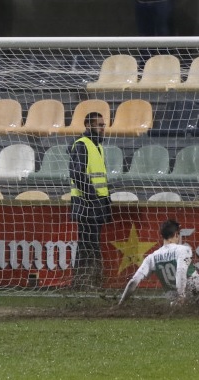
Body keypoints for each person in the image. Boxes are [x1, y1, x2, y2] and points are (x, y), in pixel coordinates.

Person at [69, 112, 112, 290]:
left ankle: (89, 281)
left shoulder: (98, 147)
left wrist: (106, 200)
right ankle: (83, 282)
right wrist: (93, 198)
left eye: (103, 125)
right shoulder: (81, 145)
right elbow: (77, 175)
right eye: (99, 125)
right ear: (88, 126)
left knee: (91, 242)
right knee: (87, 242)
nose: (103, 128)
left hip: (96, 202)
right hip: (86, 202)